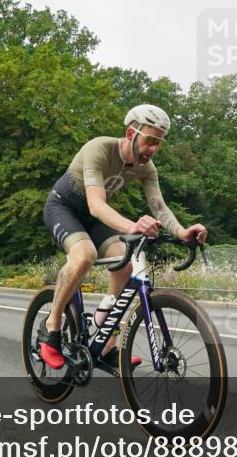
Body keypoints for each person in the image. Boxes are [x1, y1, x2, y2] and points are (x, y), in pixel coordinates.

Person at [40, 104, 207, 369]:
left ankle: (107, 344)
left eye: (159, 143)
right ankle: (52, 327)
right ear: (132, 133)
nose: (153, 149)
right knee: (84, 255)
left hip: (94, 218)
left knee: (124, 264)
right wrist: (131, 226)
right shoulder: (100, 149)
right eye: (150, 140)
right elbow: (96, 204)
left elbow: (159, 207)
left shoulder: (146, 168)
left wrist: (181, 231)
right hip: (64, 208)